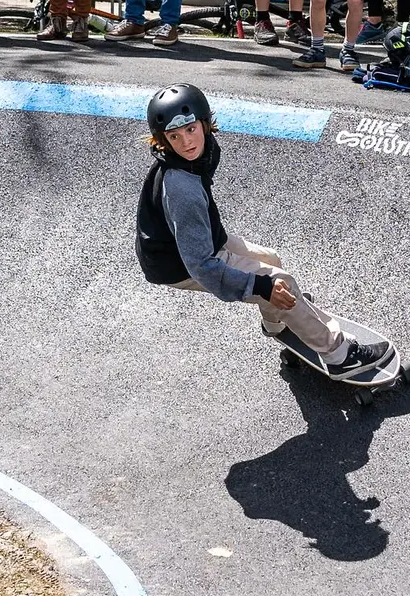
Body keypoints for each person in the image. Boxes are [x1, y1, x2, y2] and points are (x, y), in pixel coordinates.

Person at [136, 83, 388, 377]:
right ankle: (340, 355)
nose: (186, 143)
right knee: (279, 281)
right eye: (174, 137)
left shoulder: (200, 154)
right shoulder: (181, 188)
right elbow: (201, 265)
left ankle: (277, 322)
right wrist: (263, 288)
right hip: (180, 263)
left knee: (271, 259)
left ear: (204, 123)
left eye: (190, 129)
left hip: (201, 238)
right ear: (163, 141)